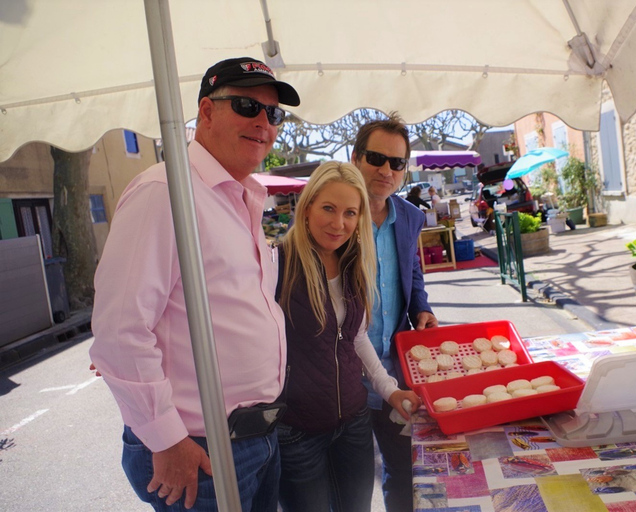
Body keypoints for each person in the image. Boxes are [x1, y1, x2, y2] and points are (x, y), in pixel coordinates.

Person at [89, 57, 300, 512]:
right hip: (199, 449)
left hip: (256, 438)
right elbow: (119, 333)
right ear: (206, 111)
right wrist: (165, 440)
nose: (264, 123)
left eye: (274, 113)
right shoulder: (165, 192)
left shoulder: (239, 196)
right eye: (247, 106)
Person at [274, 161, 421, 512]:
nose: (338, 223)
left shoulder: (353, 263)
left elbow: (356, 337)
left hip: (354, 424)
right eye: (328, 208)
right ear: (307, 207)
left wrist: (390, 390)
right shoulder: (277, 265)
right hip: (297, 431)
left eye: (350, 213)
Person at [351, 114, 439, 512]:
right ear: (355, 158)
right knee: (351, 486)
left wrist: (421, 306)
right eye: (376, 158)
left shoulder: (411, 216)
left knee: (403, 470)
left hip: (394, 371)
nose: (386, 170)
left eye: (397, 163)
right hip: (343, 377)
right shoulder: (334, 216)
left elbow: (412, 270)